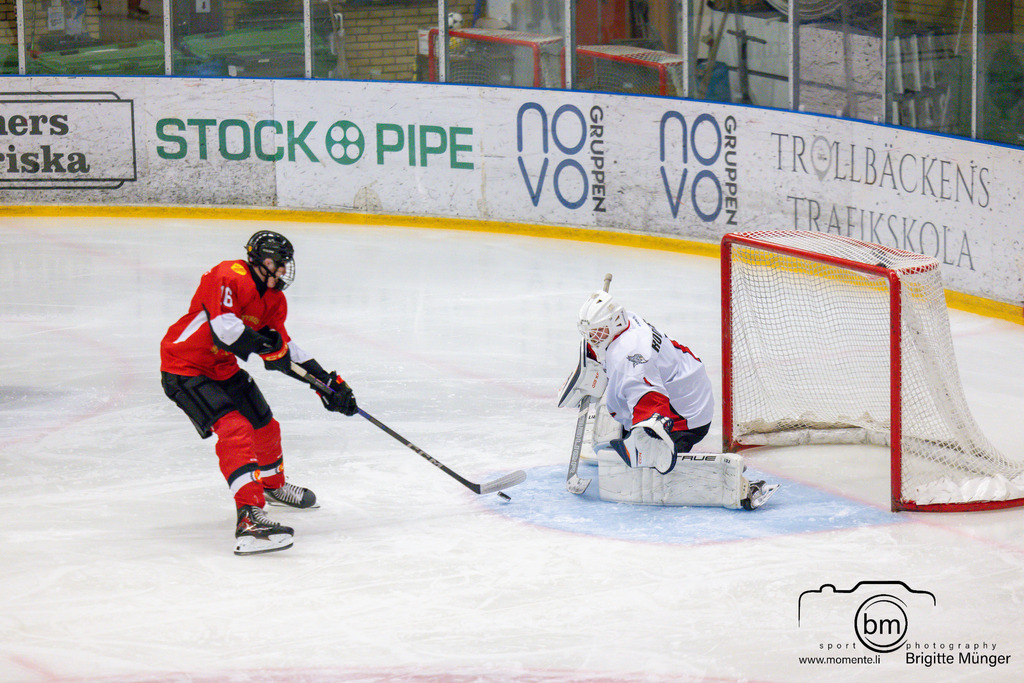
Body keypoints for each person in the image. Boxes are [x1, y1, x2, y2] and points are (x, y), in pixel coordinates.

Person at [160, 230, 358, 555]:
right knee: (236, 429)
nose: (284, 271)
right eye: (280, 264)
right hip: (185, 367)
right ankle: (249, 518)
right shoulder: (229, 275)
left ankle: (273, 487)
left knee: (265, 426)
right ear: (264, 261)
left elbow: (285, 347)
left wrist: (325, 383)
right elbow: (226, 330)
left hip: (222, 369)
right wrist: (268, 347)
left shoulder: (275, 300)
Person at [561, 290, 778, 509]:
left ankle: (734, 486)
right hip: (688, 387)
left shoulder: (631, 355)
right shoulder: (626, 323)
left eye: (597, 332)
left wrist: (647, 440)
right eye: (590, 332)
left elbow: (651, 400)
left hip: (685, 416)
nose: (592, 338)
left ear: (615, 322)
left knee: (649, 461)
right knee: (616, 401)